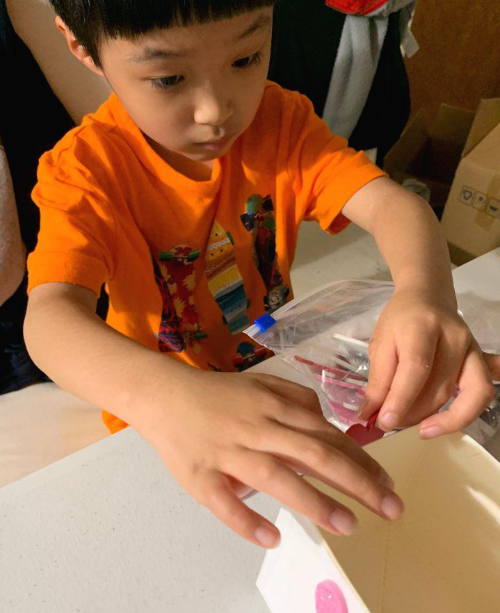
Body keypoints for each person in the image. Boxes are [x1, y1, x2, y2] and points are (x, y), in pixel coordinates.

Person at [24, 0, 494, 549]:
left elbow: (393, 205)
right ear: (82, 47)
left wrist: (426, 294)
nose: (215, 111)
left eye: (245, 58)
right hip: (164, 412)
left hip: (278, 372)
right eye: (169, 78)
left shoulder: (280, 122)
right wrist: (162, 399)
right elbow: (51, 316)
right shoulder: (85, 172)